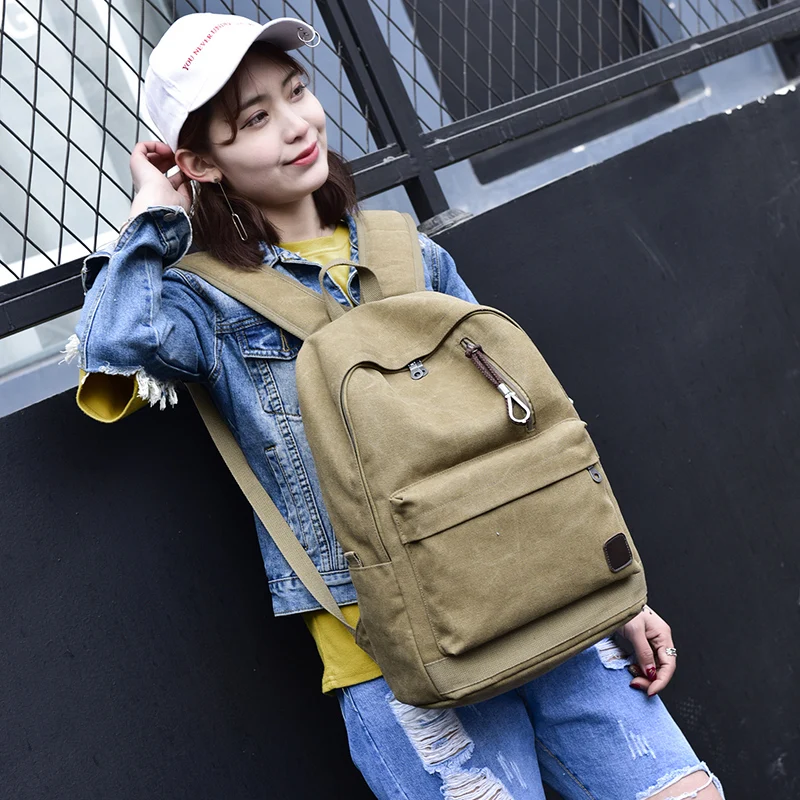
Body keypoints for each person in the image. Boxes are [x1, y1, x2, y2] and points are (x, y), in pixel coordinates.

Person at [64, 12, 725, 800]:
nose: (296, 125)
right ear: (202, 162)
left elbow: (530, 428)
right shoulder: (208, 304)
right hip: (390, 651)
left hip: (543, 595)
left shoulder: (411, 253)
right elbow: (112, 342)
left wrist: (616, 589)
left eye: (296, 93)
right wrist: (154, 212)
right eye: (256, 119)